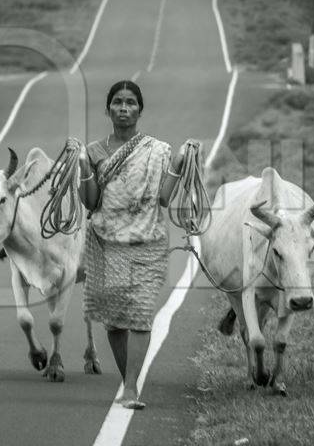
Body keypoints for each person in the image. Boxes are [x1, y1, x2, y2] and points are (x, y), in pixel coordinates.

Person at [77, 80, 187, 410]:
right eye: (118, 102)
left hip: (147, 241)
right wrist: (83, 169)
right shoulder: (94, 151)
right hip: (108, 244)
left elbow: (165, 198)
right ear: (108, 109)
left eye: (131, 102)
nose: (124, 108)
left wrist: (179, 164)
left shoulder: (158, 150)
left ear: (140, 109)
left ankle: (130, 388)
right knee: (114, 320)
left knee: (140, 314)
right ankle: (130, 378)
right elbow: (91, 203)